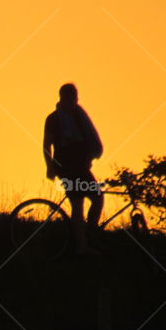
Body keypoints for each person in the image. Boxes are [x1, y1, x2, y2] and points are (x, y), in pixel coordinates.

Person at [43, 83, 103, 254]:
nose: (74, 101)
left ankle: (91, 234)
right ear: (63, 98)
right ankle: (82, 247)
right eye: (71, 97)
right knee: (78, 205)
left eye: (75, 97)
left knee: (98, 198)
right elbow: (47, 145)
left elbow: (89, 139)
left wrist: (89, 156)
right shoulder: (54, 119)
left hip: (81, 166)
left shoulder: (79, 116)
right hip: (66, 167)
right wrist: (50, 167)